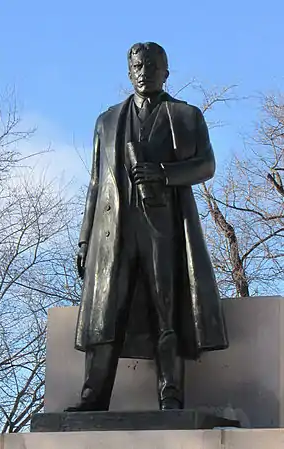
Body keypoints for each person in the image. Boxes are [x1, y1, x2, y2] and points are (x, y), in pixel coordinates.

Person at [69, 42, 228, 412]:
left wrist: (163, 173)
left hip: (166, 229)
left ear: (166, 72)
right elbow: (96, 184)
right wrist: (83, 240)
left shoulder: (185, 116)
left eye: (153, 66)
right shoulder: (107, 121)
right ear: (129, 72)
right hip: (115, 233)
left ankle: (170, 394)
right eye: (138, 66)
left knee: (167, 312)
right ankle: (94, 394)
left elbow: (206, 165)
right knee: (107, 313)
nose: (145, 72)